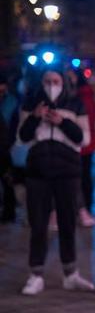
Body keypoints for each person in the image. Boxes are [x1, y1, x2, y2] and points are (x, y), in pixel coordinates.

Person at [18, 66, 95, 295]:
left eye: (56, 80)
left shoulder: (75, 104)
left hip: (67, 172)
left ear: (63, 82)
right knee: (38, 224)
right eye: (47, 80)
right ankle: (36, 274)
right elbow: (22, 137)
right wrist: (34, 117)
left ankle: (71, 273)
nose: (52, 85)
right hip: (37, 173)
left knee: (68, 223)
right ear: (41, 83)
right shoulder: (30, 104)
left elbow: (83, 139)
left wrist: (62, 121)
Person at [67, 68, 95, 227]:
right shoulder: (82, 95)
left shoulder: (82, 97)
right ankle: (83, 209)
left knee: (82, 178)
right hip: (85, 143)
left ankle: (84, 209)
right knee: (83, 178)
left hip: (83, 145)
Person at [0, 73, 20, 223]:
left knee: (7, 179)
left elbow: (15, 123)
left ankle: (9, 211)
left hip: (6, 146)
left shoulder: (12, 101)